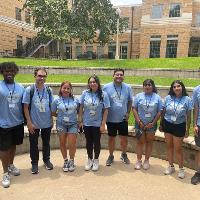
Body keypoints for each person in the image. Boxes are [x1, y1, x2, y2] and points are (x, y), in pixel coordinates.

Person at [22, 67, 54, 174]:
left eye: (44, 76)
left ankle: (46, 160)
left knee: (46, 143)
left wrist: (52, 120)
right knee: (33, 144)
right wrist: (29, 123)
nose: (42, 78)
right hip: (34, 123)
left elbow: (51, 106)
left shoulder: (49, 90)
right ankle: (34, 163)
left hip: (47, 123)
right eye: (40, 76)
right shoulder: (29, 90)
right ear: (35, 76)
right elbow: (25, 107)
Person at [160, 80, 192, 179]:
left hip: (179, 125)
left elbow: (189, 116)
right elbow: (163, 112)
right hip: (167, 124)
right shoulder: (168, 98)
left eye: (178, 86)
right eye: (174, 87)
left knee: (178, 149)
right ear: (172, 89)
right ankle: (171, 166)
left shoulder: (187, 99)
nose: (176, 88)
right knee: (169, 146)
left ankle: (181, 169)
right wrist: (161, 124)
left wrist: (187, 129)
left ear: (182, 87)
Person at [0, 62, 24, 188]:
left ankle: (10, 165)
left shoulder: (20, 87)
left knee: (13, 145)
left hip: (17, 122)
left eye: (11, 71)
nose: (9, 73)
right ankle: (5, 173)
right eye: (6, 71)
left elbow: (23, 105)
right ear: (2, 72)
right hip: (3, 124)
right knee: (3, 149)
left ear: (15, 72)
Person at [79, 75, 110, 171]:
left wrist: (103, 123)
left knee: (96, 142)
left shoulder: (103, 94)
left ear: (98, 83)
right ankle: (89, 159)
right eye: (90, 82)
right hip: (87, 123)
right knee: (88, 142)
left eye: (94, 82)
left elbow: (106, 110)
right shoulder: (85, 93)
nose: (92, 84)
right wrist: (80, 121)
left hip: (97, 123)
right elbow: (81, 108)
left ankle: (96, 159)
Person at [103, 68, 133, 166]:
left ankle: (124, 154)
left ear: (123, 77)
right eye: (117, 74)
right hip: (110, 119)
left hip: (123, 119)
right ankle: (111, 156)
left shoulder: (128, 87)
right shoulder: (106, 87)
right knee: (111, 138)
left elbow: (130, 101)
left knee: (124, 139)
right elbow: (102, 102)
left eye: (121, 75)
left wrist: (128, 113)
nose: (119, 76)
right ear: (113, 76)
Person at [132, 79, 162, 170]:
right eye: (145, 85)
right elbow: (134, 108)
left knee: (149, 142)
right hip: (139, 124)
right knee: (140, 142)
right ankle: (139, 160)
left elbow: (159, 111)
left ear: (152, 86)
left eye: (149, 85)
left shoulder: (157, 97)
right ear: (143, 86)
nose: (147, 87)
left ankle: (146, 160)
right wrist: (139, 121)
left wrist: (152, 123)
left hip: (151, 125)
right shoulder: (138, 96)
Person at [51, 81, 79, 172]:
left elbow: (78, 110)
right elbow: (53, 112)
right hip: (61, 124)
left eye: (68, 88)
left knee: (72, 144)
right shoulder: (56, 100)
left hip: (73, 124)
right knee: (62, 143)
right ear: (61, 89)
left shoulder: (75, 99)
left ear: (71, 89)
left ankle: (71, 160)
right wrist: (60, 117)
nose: (66, 90)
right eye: (64, 88)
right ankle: (65, 161)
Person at [191, 84, 200, 184]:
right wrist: (195, 125)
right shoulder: (196, 90)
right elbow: (196, 108)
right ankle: (199, 172)